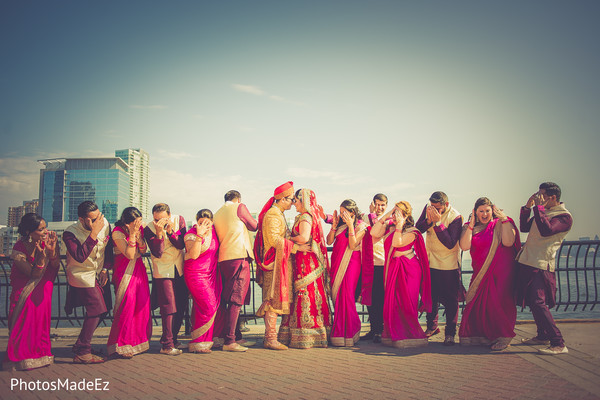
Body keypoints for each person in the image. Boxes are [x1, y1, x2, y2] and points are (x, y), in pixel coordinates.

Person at [517, 182, 573, 355]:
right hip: (527, 260)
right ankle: (542, 335)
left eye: (541, 195)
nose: (538, 198)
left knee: (538, 302)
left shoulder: (564, 217)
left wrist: (539, 208)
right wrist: (528, 207)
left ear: (553, 197)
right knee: (532, 301)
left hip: (541, 264)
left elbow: (546, 230)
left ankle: (558, 342)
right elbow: (525, 228)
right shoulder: (543, 211)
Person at [458, 197, 520, 351]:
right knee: (476, 304)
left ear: (493, 211)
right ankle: (481, 336)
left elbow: (508, 242)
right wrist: (471, 225)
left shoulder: (501, 223)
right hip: (480, 272)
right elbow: (464, 246)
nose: (484, 214)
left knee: (499, 304)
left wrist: (504, 219)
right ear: (475, 212)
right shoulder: (468, 227)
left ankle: (502, 337)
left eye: (487, 210)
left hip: (502, 273)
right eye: (481, 211)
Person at [254, 181, 309, 350]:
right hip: (274, 263)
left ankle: (270, 337)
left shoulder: (278, 213)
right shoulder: (273, 215)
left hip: (279, 261)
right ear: (283, 199)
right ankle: (270, 339)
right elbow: (274, 240)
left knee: (275, 299)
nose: (293, 203)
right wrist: (297, 247)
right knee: (272, 299)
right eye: (291, 199)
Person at [2, 213, 60, 371]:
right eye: (41, 229)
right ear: (28, 231)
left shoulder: (50, 242)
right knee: (23, 322)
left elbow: (55, 267)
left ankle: (40, 355)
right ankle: (21, 358)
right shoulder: (19, 248)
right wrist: (41, 255)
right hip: (25, 290)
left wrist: (52, 251)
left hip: (43, 289)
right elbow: (32, 274)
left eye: (45, 227)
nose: (45, 232)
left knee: (40, 321)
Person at [371, 201, 431, 348]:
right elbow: (373, 233)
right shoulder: (389, 227)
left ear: (405, 214)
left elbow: (397, 243)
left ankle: (409, 335)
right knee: (394, 302)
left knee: (407, 302)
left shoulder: (412, 231)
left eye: (398, 212)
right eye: (394, 211)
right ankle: (394, 334)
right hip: (393, 267)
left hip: (409, 268)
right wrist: (386, 216)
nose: (395, 214)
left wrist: (399, 225)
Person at [278, 188, 332, 348]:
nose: (294, 203)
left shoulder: (306, 217)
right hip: (304, 260)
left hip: (306, 263)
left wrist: (287, 238)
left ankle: (307, 334)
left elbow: (304, 237)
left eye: (296, 200)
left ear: (304, 201)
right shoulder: (306, 216)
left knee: (306, 294)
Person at [63, 201, 113, 364]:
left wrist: (105, 269)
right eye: (92, 219)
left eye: (99, 216)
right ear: (82, 219)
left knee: (104, 310)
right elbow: (79, 255)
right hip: (81, 274)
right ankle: (83, 351)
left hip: (98, 273)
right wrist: (94, 233)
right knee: (96, 309)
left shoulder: (105, 224)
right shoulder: (70, 233)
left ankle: (80, 345)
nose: (98, 221)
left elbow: (109, 249)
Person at [415, 191, 463, 346]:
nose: (434, 210)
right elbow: (418, 228)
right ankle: (432, 327)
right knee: (431, 297)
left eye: (438, 208)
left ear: (446, 205)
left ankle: (450, 333)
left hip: (448, 264)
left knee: (451, 301)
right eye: (432, 207)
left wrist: (437, 223)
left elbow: (450, 242)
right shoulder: (429, 208)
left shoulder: (456, 217)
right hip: (430, 262)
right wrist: (429, 221)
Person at [213, 190, 258, 352]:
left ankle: (235, 336)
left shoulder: (217, 213)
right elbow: (254, 226)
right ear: (238, 199)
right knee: (236, 298)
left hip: (223, 258)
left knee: (228, 298)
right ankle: (230, 341)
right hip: (239, 255)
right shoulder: (239, 206)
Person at [326, 199, 372, 347]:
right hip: (337, 263)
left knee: (347, 296)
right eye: (340, 212)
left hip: (351, 264)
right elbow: (329, 241)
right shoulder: (340, 226)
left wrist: (352, 226)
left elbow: (352, 245)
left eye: (344, 212)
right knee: (338, 296)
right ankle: (339, 331)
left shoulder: (362, 227)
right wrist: (333, 227)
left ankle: (351, 330)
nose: (341, 215)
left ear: (352, 213)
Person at [143, 203, 187, 356]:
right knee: (169, 307)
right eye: (156, 219)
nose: (158, 222)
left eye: (162, 219)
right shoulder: (149, 228)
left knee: (181, 305)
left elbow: (181, 244)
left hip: (179, 267)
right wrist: (159, 233)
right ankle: (167, 345)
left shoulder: (179, 220)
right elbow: (157, 252)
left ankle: (172, 338)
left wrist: (171, 232)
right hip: (162, 270)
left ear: (169, 215)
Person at [107, 207, 151, 358]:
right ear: (127, 222)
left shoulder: (140, 230)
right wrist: (132, 234)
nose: (137, 224)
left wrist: (139, 237)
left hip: (139, 272)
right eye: (134, 222)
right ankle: (122, 344)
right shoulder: (118, 232)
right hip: (125, 272)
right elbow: (130, 254)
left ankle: (138, 342)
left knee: (141, 305)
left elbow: (143, 250)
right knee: (127, 305)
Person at [184, 209, 221, 353]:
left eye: (207, 223)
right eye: (201, 222)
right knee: (209, 305)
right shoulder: (191, 235)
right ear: (196, 221)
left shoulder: (214, 233)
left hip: (210, 274)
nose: (204, 225)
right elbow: (193, 255)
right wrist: (200, 234)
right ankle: (199, 341)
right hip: (196, 274)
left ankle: (204, 341)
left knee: (203, 307)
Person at [360, 193, 388, 343]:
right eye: (377, 204)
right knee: (369, 298)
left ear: (386, 206)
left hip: (382, 263)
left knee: (381, 298)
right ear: (373, 204)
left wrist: (372, 214)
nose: (379, 207)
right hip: (367, 263)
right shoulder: (365, 218)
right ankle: (374, 329)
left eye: (382, 205)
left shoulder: (388, 220)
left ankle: (381, 330)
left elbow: (375, 229)